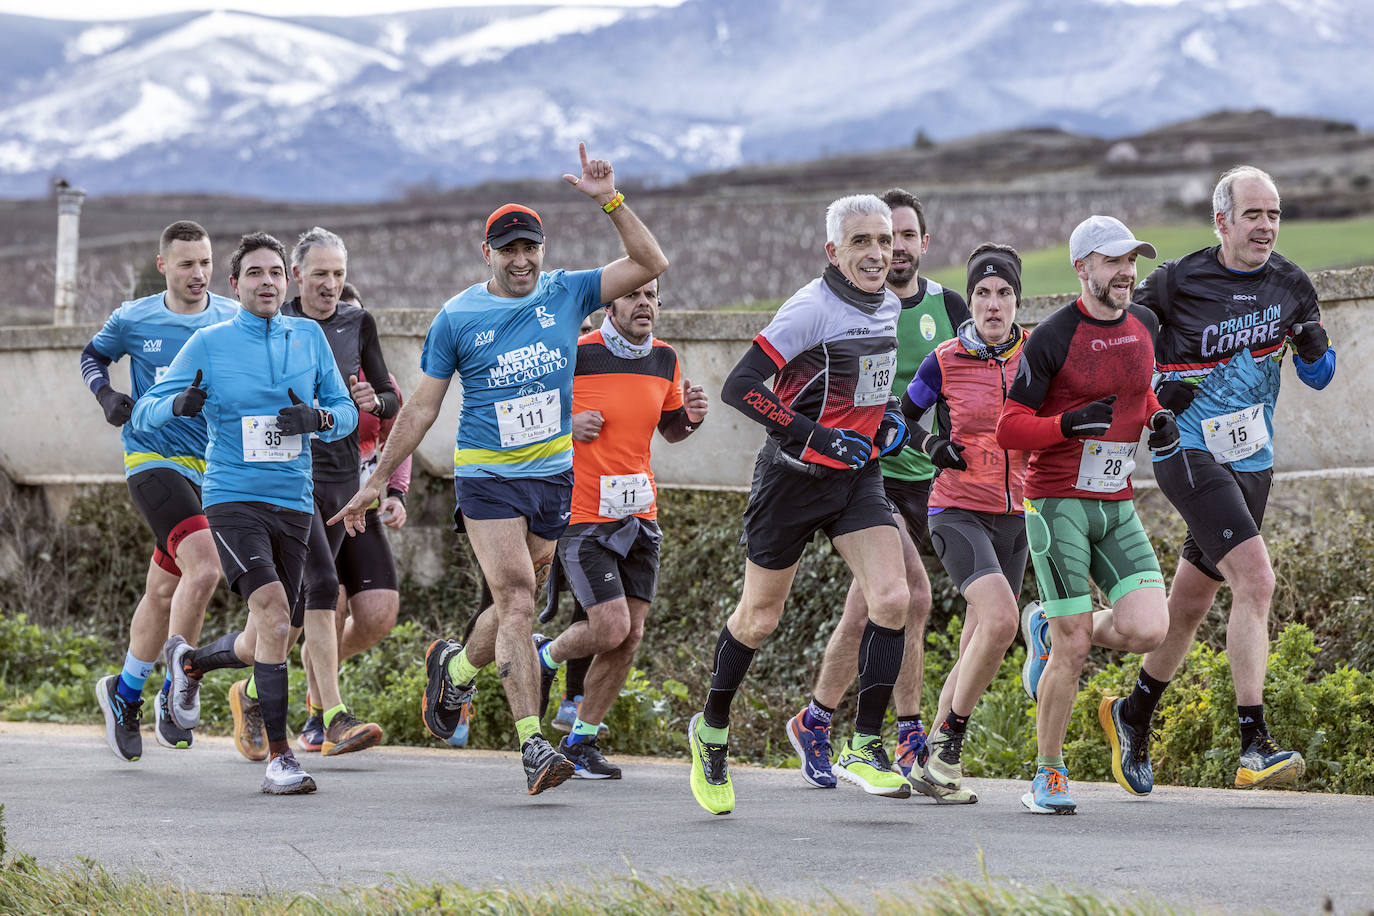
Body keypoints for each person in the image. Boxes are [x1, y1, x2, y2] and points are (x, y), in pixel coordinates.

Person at [329, 143, 668, 796]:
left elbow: (651, 263)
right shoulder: (457, 317)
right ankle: (532, 745)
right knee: (516, 600)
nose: (520, 261)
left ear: (540, 251)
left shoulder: (569, 292)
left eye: (528, 249)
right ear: (487, 253)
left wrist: (610, 202)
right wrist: (378, 477)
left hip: (553, 478)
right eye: (507, 250)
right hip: (486, 477)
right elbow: (423, 407)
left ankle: (454, 670)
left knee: (518, 600)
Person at [1102, 166, 1336, 794]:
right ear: (1222, 221)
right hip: (1187, 446)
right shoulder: (1176, 281)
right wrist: (1156, 387)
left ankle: (1132, 709)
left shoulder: (1291, 284)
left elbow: (1319, 378)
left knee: (1190, 604)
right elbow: (1126, 348)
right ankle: (1254, 743)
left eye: (1274, 214)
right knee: (1256, 580)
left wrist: (1315, 349)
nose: (1266, 226)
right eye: (1253, 214)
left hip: (1252, 457)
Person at [687, 193, 914, 816]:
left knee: (892, 599)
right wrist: (816, 436)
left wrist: (884, 419)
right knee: (759, 618)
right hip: (790, 479)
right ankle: (710, 730)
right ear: (833, 252)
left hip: (856, 478)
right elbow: (741, 387)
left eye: (884, 241)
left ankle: (865, 745)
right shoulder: (810, 309)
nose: (876, 253)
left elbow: (863, 387)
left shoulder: (890, 305)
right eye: (861, 242)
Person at [132, 231, 358, 795]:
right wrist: (179, 403)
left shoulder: (308, 337)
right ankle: (281, 759)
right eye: (254, 273)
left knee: (271, 629)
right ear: (236, 285)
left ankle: (190, 666)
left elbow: (346, 412)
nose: (267, 282)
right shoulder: (210, 343)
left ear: (288, 283)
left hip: (293, 501)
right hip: (232, 498)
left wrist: (319, 421)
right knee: (277, 615)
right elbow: (145, 411)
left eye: (276, 273)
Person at [787, 188, 969, 789]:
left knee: (871, 604)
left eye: (903, 237)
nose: (894, 250)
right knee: (910, 597)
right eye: (879, 239)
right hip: (872, 476)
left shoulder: (947, 305)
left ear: (921, 243)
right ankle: (906, 732)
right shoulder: (854, 305)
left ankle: (817, 719)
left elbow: (976, 375)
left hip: (931, 478)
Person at [996, 215, 1176, 815]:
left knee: (1151, 626)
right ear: (1083, 267)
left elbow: (1138, 392)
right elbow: (1008, 427)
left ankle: (1046, 628)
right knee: (1075, 647)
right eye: (1113, 261)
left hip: (1115, 501)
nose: (1127, 272)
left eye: (1133, 261)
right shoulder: (1051, 337)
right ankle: (1047, 774)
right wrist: (1065, 425)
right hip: (1056, 502)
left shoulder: (1141, 329)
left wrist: (1155, 417)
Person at [531, 277, 707, 778]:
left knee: (629, 638)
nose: (645, 304)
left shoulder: (665, 359)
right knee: (610, 626)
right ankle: (547, 656)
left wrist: (691, 418)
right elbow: (527, 414)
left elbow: (670, 430)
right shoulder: (576, 352)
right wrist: (569, 423)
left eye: (653, 295)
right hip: (583, 515)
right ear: (610, 304)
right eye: (634, 295)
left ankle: (580, 742)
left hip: (640, 516)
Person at [83, 220, 241, 761]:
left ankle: (123, 693)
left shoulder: (230, 317)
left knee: (161, 591)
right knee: (205, 567)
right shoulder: (134, 318)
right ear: (163, 267)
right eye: (186, 264)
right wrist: (106, 394)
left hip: (209, 468)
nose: (198, 274)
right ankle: (178, 690)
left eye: (204, 263)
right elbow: (91, 354)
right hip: (150, 457)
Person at [899, 243, 1030, 804]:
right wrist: (932, 443)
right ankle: (951, 745)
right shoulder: (944, 359)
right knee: (1001, 620)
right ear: (970, 300)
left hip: (1021, 516)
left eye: (1003, 293)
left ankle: (931, 764)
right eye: (981, 293)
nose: (993, 304)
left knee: (980, 642)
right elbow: (897, 419)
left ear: (1017, 300)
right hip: (956, 508)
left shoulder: (1037, 356)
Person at [280, 228, 395, 757]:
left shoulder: (357, 321)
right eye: (320, 274)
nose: (330, 285)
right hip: (288, 477)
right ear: (297, 275)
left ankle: (257, 690)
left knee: (329, 603)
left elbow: (391, 398)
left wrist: (378, 399)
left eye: (339, 275)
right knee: (320, 593)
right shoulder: (273, 323)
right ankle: (330, 716)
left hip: (344, 478)